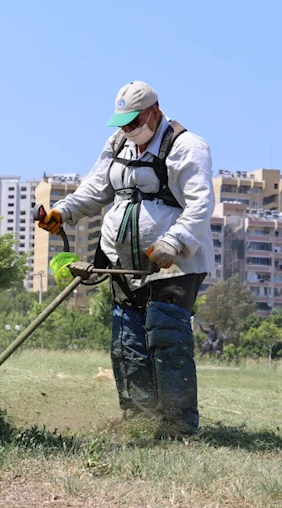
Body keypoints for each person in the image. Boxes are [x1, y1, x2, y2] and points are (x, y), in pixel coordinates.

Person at [38, 81, 214, 438]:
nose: (128, 129)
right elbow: (95, 189)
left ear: (155, 112)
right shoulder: (118, 144)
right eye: (123, 123)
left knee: (165, 336)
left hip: (174, 265)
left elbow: (200, 205)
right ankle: (139, 417)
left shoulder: (186, 147)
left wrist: (174, 241)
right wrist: (63, 211)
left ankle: (178, 424)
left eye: (134, 122)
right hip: (122, 265)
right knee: (127, 341)